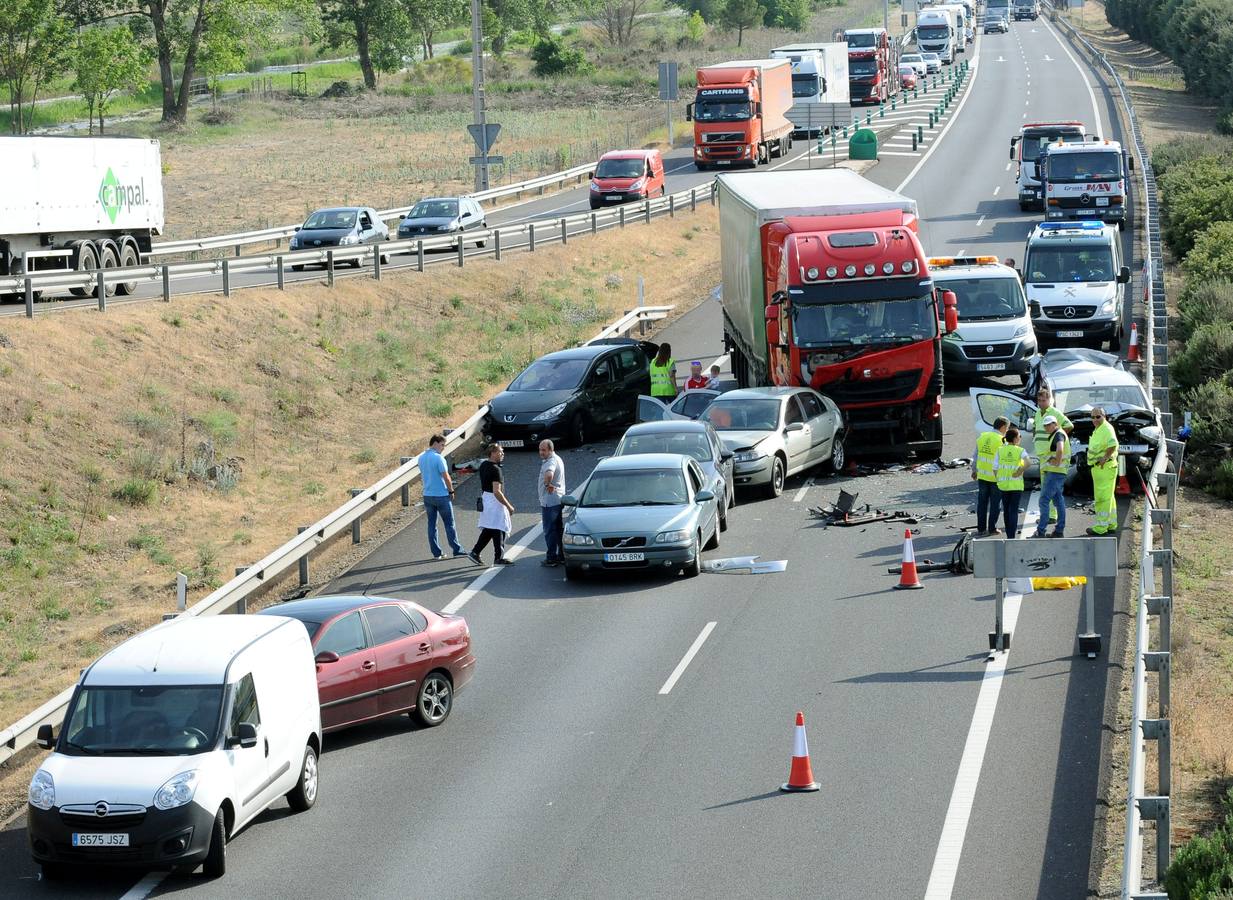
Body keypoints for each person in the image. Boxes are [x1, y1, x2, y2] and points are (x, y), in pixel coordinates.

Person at [416, 434, 465, 559]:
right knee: (449, 523)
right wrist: (451, 491)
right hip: (441, 495)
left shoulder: (421, 458)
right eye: (442, 445)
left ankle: (436, 553)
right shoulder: (438, 458)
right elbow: (446, 476)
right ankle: (456, 549)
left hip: (427, 495)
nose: (443, 448)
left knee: (432, 524)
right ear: (435, 443)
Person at [469, 444, 516, 566]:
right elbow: (497, 491)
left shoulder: (484, 465)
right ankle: (498, 558)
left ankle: (475, 552)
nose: (503, 454)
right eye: (500, 452)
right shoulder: (496, 469)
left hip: (486, 499)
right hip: (495, 502)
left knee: (490, 528)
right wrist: (508, 505)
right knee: (499, 528)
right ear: (493, 452)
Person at [1033, 386, 1073, 527]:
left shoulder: (1054, 413)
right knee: (1049, 489)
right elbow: (1036, 429)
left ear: (1050, 400)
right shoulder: (1038, 413)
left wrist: (1058, 440)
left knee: (1049, 489)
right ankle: (1051, 516)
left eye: (1044, 400)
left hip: (1050, 456)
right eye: (1039, 400)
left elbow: (1068, 425)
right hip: (1043, 456)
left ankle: (1051, 516)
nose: (1041, 403)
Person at [972, 416, 1009, 536]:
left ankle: (981, 528)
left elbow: (976, 455)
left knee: (982, 503)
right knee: (995, 503)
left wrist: (974, 470)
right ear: (1003, 427)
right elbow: (1004, 460)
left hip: (982, 475)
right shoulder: (1002, 440)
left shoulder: (982, 437)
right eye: (1007, 428)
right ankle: (992, 528)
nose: (1007, 430)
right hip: (995, 477)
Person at [1086, 406, 1120, 535]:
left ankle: (1101, 527)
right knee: (1108, 497)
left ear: (1104, 416)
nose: (1095, 419)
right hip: (1101, 468)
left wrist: (1104, 458)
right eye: (1093, 417)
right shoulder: (1099, 429)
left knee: (1102, 498)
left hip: (1104, 468)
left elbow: (1113, 444)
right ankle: (1111, 524)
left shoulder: (1106, 428)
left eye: (1098, 416)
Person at [1034, 416, 1069, 538]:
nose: (1047, 427)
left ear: (1056, 424)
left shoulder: (1058, 434)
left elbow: (1060, 448)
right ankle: (1059, 530)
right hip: (1058, 472)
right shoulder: (1057, 434)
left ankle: (1041, 531)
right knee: (1058, 500)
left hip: (1054, 472)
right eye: (1045, 425)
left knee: (1044, 500)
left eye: (1049, 424)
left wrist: (1057, 461)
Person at [995, 427, 1030, 539]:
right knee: (1013, 510)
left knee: (1006, 510)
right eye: (1019, 436)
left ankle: (1008, 534)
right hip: (1016, 485)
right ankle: (1012, 536)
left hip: (1003, 485)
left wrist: (999, 478)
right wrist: (1019, 471)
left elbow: (995, 467)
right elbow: (1028, 462)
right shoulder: (1020, 450)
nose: (1020, 438)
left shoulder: (1000, 450)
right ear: (1015, 439)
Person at [538, 439, 565, 567]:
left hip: (550, 502)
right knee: (558, 529)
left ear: (551, 450)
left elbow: (549, 473)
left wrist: (547, 483)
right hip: (557, 500)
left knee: (550, 530)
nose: (541, 452)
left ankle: (551, 558)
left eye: (544, 450)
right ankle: (562, 555)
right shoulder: (557, 458)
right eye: (540, 450)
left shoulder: (551, 461)